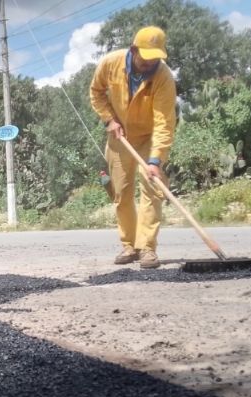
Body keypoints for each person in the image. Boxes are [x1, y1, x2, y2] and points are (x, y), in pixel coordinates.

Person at [89, 26, 177, 269]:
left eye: (156, 59)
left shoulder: (163, 77)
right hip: (120, 136)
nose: (151, 64)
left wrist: (155, 160)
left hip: (149, 137)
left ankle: (147, 248)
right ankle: (129, 245)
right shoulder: (110, 63)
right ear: (133, 50)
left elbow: (164, 122)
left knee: (152, 187)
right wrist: (109, 119)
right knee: (121, 191)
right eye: (146, 58)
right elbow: (96, 93)